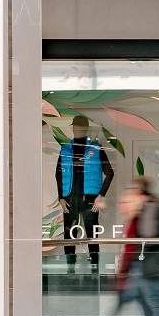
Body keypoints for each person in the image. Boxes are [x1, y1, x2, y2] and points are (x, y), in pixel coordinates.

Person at [56, 115, 116, 271]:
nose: (77, 130)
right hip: (70, 198)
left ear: (86, 128)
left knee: (92, 234)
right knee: (69, 235)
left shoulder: (96, 148)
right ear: (73, 128)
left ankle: (95, 268)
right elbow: (58, 174)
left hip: (90, 198)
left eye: (81, 127)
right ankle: (70, 269)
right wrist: (61, 197)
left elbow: (110, 173)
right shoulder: (65, 149)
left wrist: (100, 196)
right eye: (75, 127)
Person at [122, 177, 159, 316]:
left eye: (133, 191)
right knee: (143, 298)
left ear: (140, 192)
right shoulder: (148, 205)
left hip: (149, 260)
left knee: (153, 300)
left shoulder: (150, 206)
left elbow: (149, 235)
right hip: (144, 259)